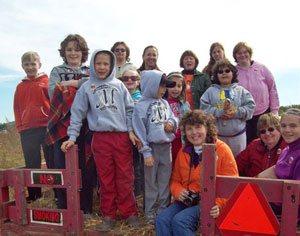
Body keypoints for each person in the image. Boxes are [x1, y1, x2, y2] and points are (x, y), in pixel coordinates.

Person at [61, 49, 143, 231]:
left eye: (106, 63)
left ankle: (130, 213)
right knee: (105, 178)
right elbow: (77, 113)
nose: (102, 67)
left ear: (112, 65)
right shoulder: (87, 87)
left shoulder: (119, 85)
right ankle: (109, 215)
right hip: (100, 138)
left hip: (121, 137)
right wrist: (72, 137)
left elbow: (130, 110)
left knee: (125, 176)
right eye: (98, 63)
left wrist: (130, 130)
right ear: (92, 64)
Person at [155, 110, 238, 236]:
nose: (194, 133)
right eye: (189, 129)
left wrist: (219, 204)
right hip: (187, 200)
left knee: (180, 221)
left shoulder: (222, 149)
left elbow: (231, 184)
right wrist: (179, 192)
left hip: (209, 202)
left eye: (198, 127)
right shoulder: (183, 151)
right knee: (162, 219)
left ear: (207, 128)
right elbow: (175, 180)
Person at [46, 34, 96, 216]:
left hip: (86, 124)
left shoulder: (90, 70)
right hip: (63, 125)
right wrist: (80, 90)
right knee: (62, 165)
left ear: (83, 52)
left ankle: (86, 207)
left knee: (86, 165)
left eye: (77, 49)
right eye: (69, 49)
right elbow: (53, 91)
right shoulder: (57, 70)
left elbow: (94, 87)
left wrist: (71, 84)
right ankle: (65, 207)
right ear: (64, 52)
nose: (73, 53)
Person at [133, 70, 178, 224]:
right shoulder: (141, 106)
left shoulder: (164, 103)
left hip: (167, 147)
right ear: (152, 85)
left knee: (165, 180)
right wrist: (146, 152)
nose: (164, 90)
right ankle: (150, 212)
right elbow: (139, 130)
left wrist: (172, 124)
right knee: (150, 182)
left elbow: (173, 117)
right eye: (162, 86)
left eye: (165, 87)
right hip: (151, 148)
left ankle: (163, 209)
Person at [13, 51, 51, 201]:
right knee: (31, 162)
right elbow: (16, 108)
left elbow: (53, 103)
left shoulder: (47, 82)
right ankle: (35, 195)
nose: (30, 67)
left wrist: (51, 124)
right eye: (26, 65)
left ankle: (57, 193)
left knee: (51, 160)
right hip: (27, 130)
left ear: (39, 65)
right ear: (22, 66)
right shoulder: (20, 87)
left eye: (33, 64)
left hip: (46, 127)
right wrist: (20, 126)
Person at [200, 60, 255, 157]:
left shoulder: (241, 91)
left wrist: (235, 113)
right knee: (217, 165)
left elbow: (250, 107)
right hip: (217, 138)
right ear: (216, 75)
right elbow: (203, 110)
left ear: (233, 73)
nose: (224, 73)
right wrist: (219, 112)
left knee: (237, 164)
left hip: (238, 138)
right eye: (220, 72)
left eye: (227, 71)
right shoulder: (210, 91)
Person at [233, 42, 280, 144]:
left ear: (250, 53)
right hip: (243, 115)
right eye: (239, 53)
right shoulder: (233, 71)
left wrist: (274, 111)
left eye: (245, 52)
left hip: (263, 112)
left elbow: (272, 89)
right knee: (249, 144)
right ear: (235, 56)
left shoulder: (262, 68)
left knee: (267, 142)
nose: (243, 55)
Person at [236, 113, 287, 177]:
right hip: (252, 184)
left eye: (271, 129)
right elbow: (236, 166)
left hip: (278, 185)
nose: (267, 134)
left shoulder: (288, 148)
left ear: (279, 129)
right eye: (263, 131)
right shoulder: (253, 145)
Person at [119, 69, 144, 197]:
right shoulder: (117, 96)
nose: (129, 80)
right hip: (121, 136)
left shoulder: (142, 98)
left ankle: (138, 194)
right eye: (126, 78)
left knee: (137, 167)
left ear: (138, 82)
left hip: (137, 137)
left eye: (133, 78)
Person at [164, 72, 190, 166]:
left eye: (179, 86)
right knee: (168, 167)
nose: (176, 89)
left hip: (181, 140)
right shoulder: (161, 102)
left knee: (180, 165)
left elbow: (189, 120)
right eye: (173, 85)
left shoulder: (185, 104)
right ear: (166, 86)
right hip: (167, 140)